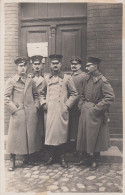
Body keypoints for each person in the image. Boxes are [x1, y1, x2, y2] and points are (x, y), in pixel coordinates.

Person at [76, 56, 115, 171]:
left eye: (88, 65)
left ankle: (95, 160)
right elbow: (82, 93)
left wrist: (97, 108)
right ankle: (87, 158)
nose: (86, 67)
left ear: (95, 66)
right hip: (85, 111)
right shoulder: (87, 79)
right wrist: (81, 104)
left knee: (95, 137)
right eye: (86, 65)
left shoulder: (102, 80)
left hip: (95, 113)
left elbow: (110, 97)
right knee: (85, 135)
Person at [39, 54, 78, 168]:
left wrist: (67, 106)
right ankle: (51, 157)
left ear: (60, 65)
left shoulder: (67, 78)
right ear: (50, 65)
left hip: (61, 110)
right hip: (49, 110)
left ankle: (62, 157)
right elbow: (41, 93)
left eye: (57, 63)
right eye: (53, 63)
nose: (55, 65)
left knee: (61, 134)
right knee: (50, 134)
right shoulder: (46, 78)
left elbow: (75, 94)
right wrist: (43, 103)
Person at [4, 57, 40, 171]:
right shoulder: (11, 80)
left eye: (24, 66)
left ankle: (28, 158)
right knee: (14, 138)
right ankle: (12, 161)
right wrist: (14, 110)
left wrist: (35, 107)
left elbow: (36, 95)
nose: (23, 68)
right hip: (18, 114)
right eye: (20, 66)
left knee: (29, 137)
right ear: (17, 67)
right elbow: (5, 98)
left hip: (30, 114)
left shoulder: (30, 80)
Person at [69, 56, 87, 154]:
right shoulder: (69, 76)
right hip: (70, 105)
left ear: (80, 65)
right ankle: (71, 147)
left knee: (77, 126)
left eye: (76, 64)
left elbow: (84, 91)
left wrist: (81, 102)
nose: (73, 66)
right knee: (70, 125)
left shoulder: (84, 76)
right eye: (72, 64)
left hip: (79, 105)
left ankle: (78, 148)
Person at [29, 55, 45, 151]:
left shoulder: (46, 78)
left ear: (42, 66)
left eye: (39, 64)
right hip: (33, 107)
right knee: (33, 128)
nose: (37, 66)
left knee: (43, 127)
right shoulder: (29, 78)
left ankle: (43, 148)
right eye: (35, 64)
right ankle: (35, 149)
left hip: (43, 106)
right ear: (32, 66)